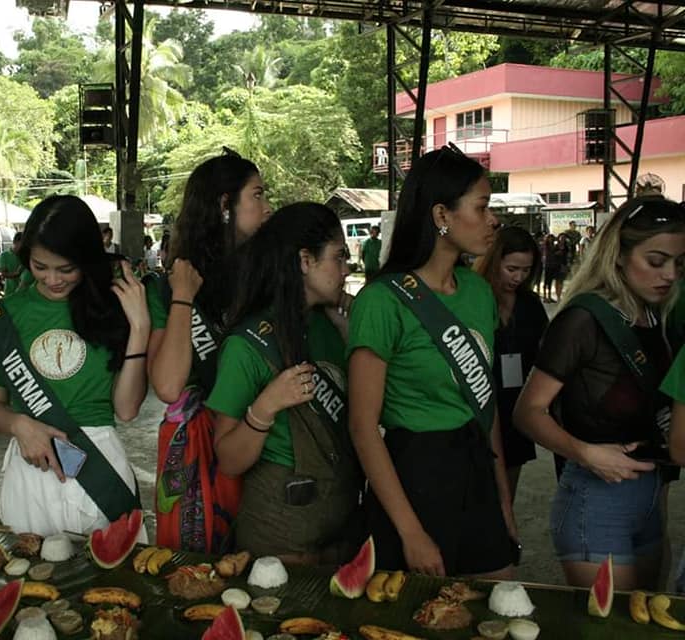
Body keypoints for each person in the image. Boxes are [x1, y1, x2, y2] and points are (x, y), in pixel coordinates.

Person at [348, 146, 517, 578]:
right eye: (481, 207)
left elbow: (485, 401)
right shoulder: (382, 301)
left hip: (475, 466)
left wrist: (502, 500)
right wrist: (411, 533)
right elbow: (363, 426)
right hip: (414, 475)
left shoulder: (478, 293)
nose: (493, 219)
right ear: (442, 215)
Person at [514, 196, 685, 591]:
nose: (670, 275)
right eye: (656, 261)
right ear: (619, 255)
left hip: (650, 497)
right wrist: (587, 453)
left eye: (679, 264)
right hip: (596, 501)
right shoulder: (583, 319)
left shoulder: (658, 316)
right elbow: (528, 412)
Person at [0, 195, 150, 537]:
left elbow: (126, 410)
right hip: (31, 466)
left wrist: (140, 328)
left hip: (100, 466)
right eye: (40, 267)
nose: (53, 279)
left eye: (66, 269)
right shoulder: (4, 317)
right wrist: (21, 425)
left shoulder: (113, 310)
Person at [207, 202, 362, 562]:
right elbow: (228, 459)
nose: (346, 269)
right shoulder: (248, 344)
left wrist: (353, 340)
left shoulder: (331, 326)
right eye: (338, 257)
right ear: (305, 261)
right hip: (280, 536)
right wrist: (265, 407)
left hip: (345, 526)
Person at [147, 152, 272, 552]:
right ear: (224, 205)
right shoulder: (172, 284)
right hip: (201, 456)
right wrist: (184, 298)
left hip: (263, 443)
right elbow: (168, 386)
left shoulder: (270, 277)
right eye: (257, 195)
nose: (268, 207)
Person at [473, 226, 548, 502]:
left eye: (526, 270)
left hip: (517, 405)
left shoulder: (530, 304)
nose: (518, 277)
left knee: (508, 492)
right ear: (495, 261)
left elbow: (546, 351)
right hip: (482, 404)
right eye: (512, 269)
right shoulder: (475, 297)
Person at [0, 232, 25, 297]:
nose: (24, 246)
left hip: (24, 292)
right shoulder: (4, 255)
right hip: (10, 291)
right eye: (22, 243)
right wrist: (16, 273)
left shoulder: (24, 255)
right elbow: (3, 274)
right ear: (15, 242)